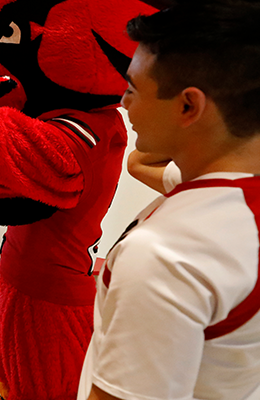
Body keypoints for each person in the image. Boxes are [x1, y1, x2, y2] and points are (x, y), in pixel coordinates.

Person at [78, 1, 260, 398]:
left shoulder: (164, 254)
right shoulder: (232, 198)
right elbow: (140, 163)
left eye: (132, 88)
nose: (123, 103)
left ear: (188, 105)